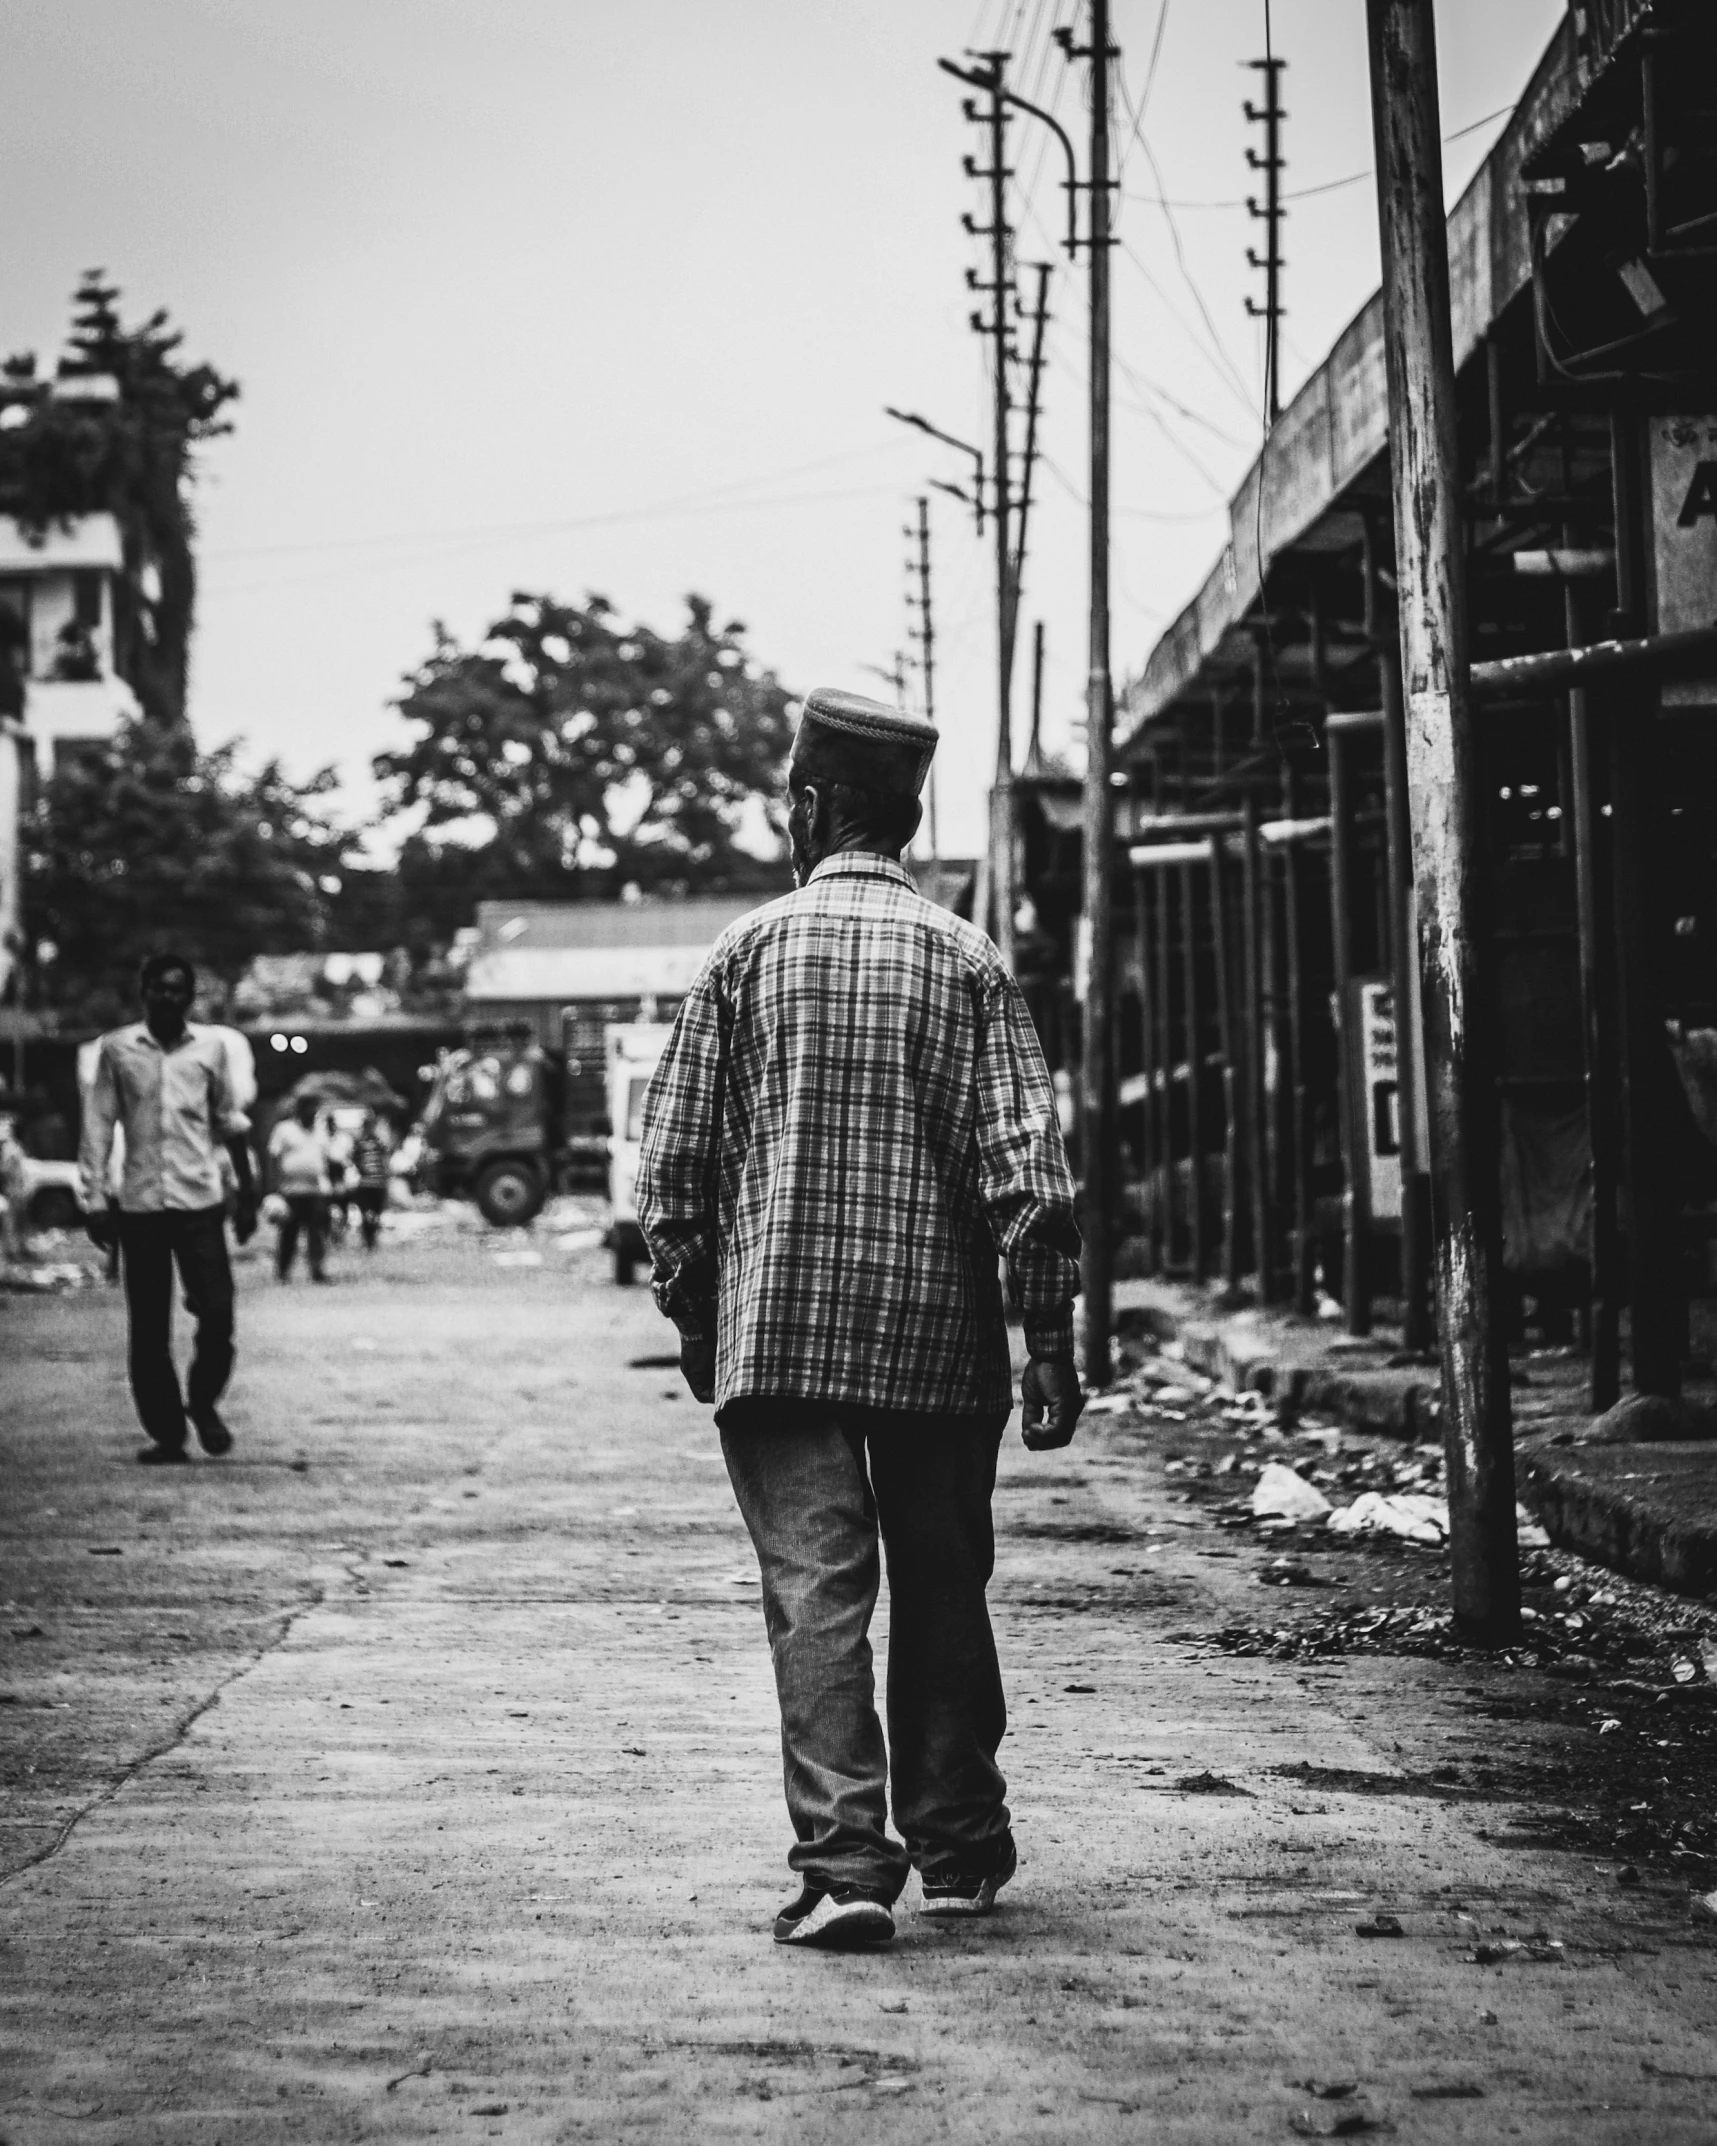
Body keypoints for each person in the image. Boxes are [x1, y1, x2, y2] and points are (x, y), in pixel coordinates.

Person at [637, 687, 1085, 1952]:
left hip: (775, 1339)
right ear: (909, 816)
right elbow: (1027, 1176)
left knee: (816, 1595)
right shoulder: (967, 959)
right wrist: (1044, 1336)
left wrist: (691, 1309)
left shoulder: (744, 953)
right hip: (938, 1345)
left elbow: (671, 1174)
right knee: (944, 1583)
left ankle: (843, 1869)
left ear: (813, 808)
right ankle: (956, 1844)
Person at [79, 952, 257, 1463]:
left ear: (189, 996)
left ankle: (202, 1403)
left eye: (178, 989)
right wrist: (93, 1198)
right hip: (141, 1207)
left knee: (218, 1313)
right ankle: (167, 1433)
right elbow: (98, 1126)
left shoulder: (211, 1049)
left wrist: (246, 1194)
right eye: (159, 988)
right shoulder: (117, 1051)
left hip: (200, 1200)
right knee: (150, 1327)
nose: (168, 997)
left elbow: (229, 1121)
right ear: (145, 992)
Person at [268, 1094, 333, 1282]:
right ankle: (283, 1270)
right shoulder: (284, 1129)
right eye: (309, 1110)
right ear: (300, 1111)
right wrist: (274, 1188)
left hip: (316, 1190)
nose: (312, 1115)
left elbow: (325, 1157)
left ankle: (317, 1269)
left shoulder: (321, 1130)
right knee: (289, 1232)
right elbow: (273, 1157)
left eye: (315, 1111)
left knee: (317, 1232)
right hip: (291, 1190)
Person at [350, 1108, 391, 1250]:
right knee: (367, 1214)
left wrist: (386, 1177)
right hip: (366, 1184)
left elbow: (385, 1161)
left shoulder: (380, 1143)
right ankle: (368, 1241)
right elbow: (354, 1160)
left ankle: (372, 1241)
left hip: (378, 1184)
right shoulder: (359, 1143)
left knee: (376, 1215)